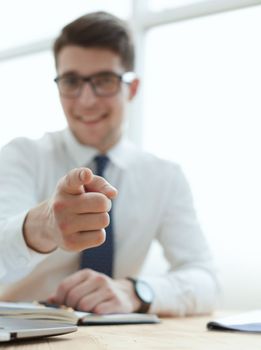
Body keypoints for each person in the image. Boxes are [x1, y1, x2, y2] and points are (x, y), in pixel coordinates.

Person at [0, 11, 218, 316]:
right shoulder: (21, 155)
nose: (86, 100)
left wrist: (135, 291)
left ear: (132, 88)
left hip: (115, 338)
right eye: (71, 81)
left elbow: (205, 278)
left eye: (104, 80)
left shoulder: (164, 176)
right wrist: (44, 226)